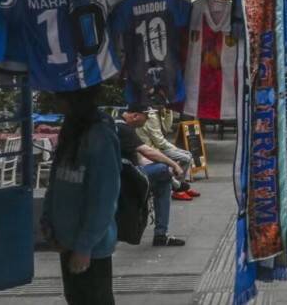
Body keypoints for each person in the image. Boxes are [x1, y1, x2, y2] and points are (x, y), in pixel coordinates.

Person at [43, 87, 120, 305]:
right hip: (66, 241)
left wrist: (85, 246)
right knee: (75, 298)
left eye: (61, 97)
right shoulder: (69, 131)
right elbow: (55, 183)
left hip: (91, 248)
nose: (57, 103)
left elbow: (104, 199)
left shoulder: (100, 136)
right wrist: (48, 222)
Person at [115, 109, 187, 247]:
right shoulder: (124, 129)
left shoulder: (117, 123)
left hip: (125, 172)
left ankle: (161, 234)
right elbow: (148, 152)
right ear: (135, 115)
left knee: (163, 180)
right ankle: (175, 184)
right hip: (126, 177)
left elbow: (140, 158)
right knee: (163, 169)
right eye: (146, 116)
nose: (147, 120)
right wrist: (173, 165)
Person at [136, 91, 200, 201]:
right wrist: (174, 148)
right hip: (152, 148)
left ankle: (181, 185)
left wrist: (169, 113)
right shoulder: (151, 116)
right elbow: (160, 141)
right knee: (185, 157)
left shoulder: (158, 113)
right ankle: (177, 189)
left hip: (157, 146)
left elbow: (166, 128)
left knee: (188, 154)